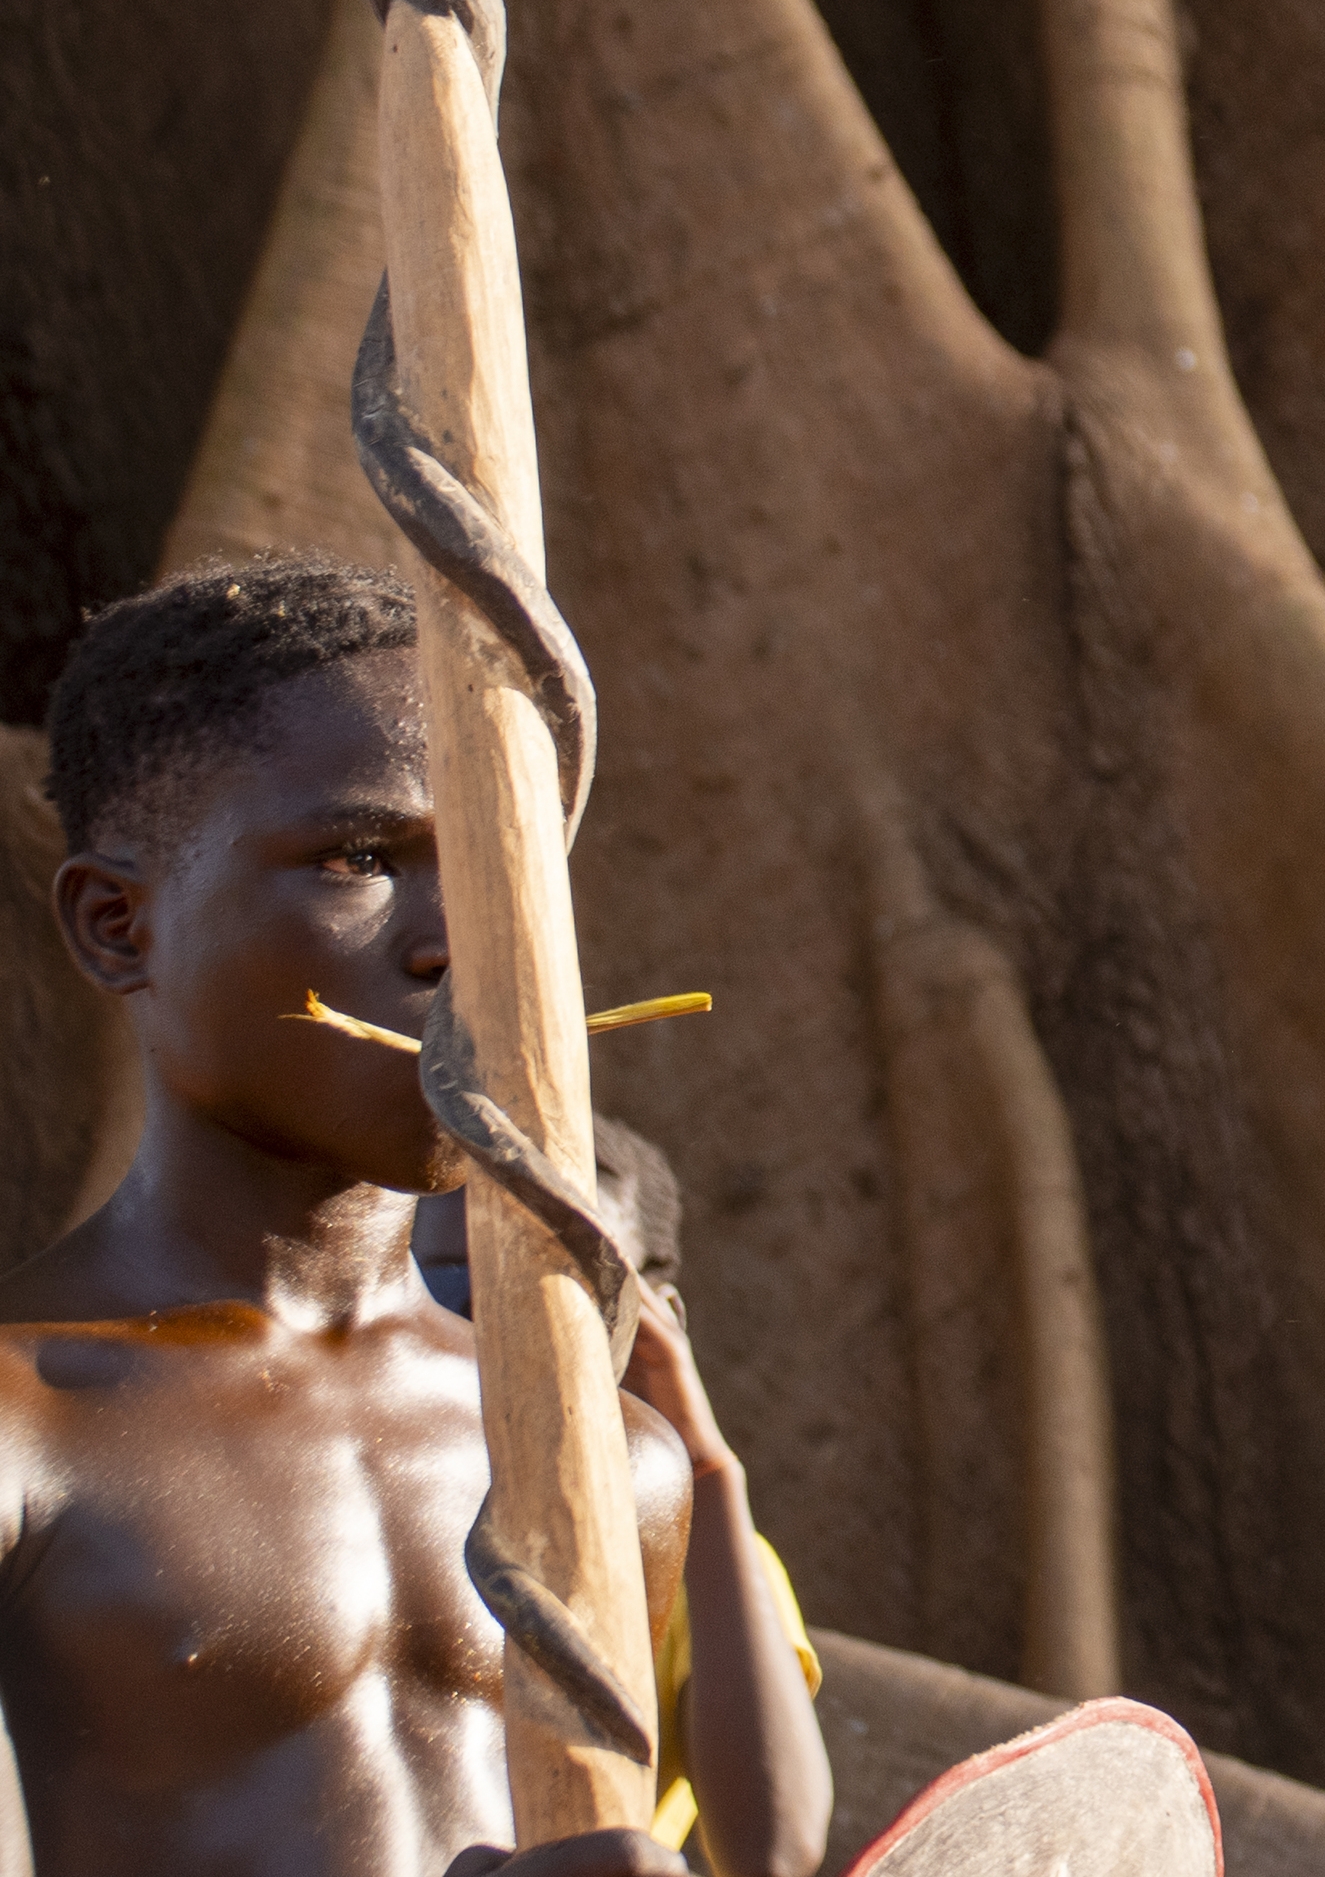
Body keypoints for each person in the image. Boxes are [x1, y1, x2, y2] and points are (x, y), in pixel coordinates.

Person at [1, 556, 695, 1877]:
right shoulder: (25, 1440)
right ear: (117, 927)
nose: (461, 942)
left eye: (500, 866)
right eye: (361, 858)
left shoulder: (604, 1468)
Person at [415, 1121, 831, 1876]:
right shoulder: (350, 1497)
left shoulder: (681, 1540)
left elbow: (774, 1852)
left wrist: (707, 1473)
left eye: (566, 1292)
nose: (506, 1329)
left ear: (657, 1319)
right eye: (451, 1283)